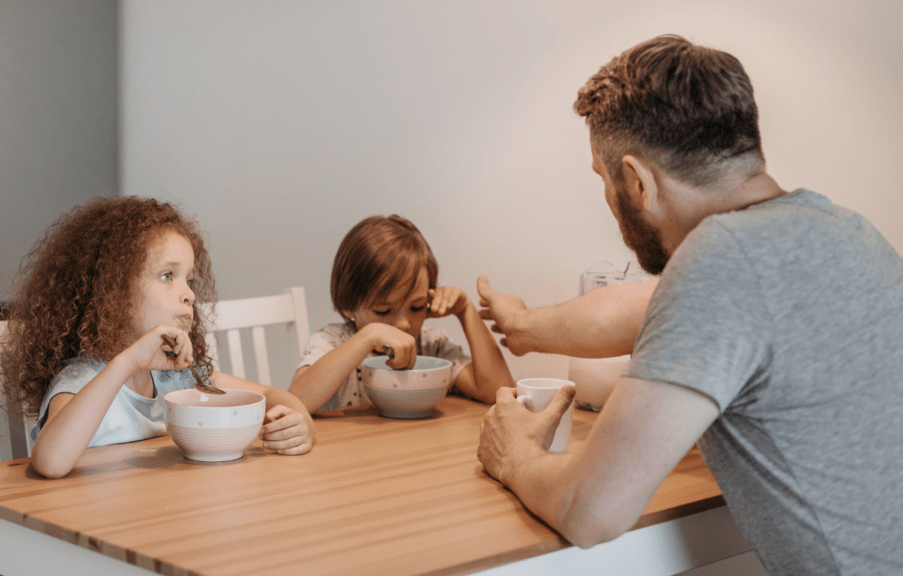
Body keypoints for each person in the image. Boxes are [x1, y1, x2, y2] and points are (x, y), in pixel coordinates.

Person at [476, 35, 903, 575]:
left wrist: (513, 454)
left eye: (603, 179)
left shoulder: (719, 262)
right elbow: (642, 308)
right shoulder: (845, 232)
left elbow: (590, 512)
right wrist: (524, 325)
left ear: (636, 180)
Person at [0, 197, 315, 478]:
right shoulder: (83, 379)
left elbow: (271, 396)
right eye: (167, 276)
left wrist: (301, 423)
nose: (189, 294)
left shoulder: (174, 378)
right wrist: (129, 362)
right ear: (114, 291)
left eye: (189, 280)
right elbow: (50, 463)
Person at [289, 214, 513, 413]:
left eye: (416, 307)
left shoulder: (431, 345)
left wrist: (466, 312)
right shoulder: (332, 342)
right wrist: (370, 335)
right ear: (349, 305)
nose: (405, 324)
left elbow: (499, 393)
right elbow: (295, 403)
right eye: (383, 310)